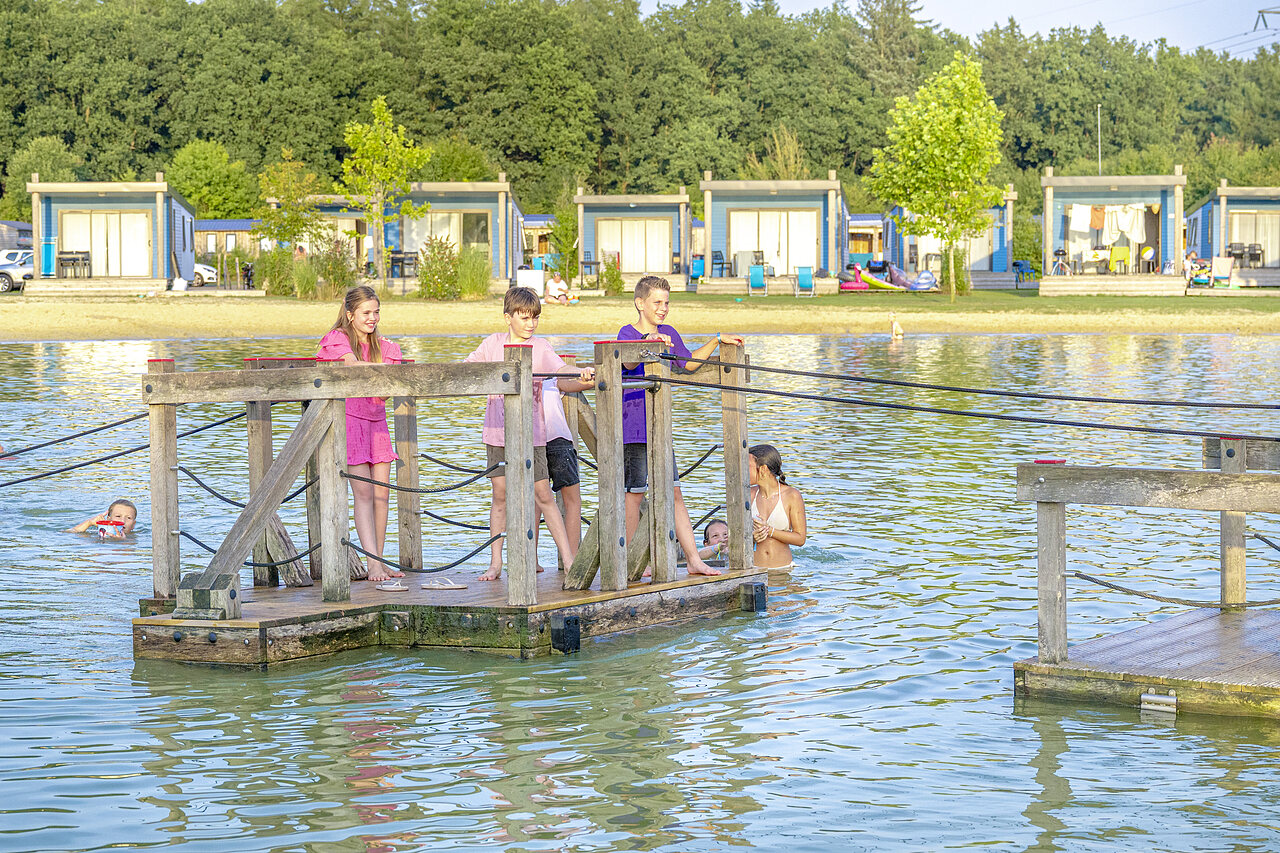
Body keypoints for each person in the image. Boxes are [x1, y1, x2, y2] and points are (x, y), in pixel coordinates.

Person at [464, 287, 596, 582]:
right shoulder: (492, 344)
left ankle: (569, 558)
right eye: (524, 317)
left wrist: (582, 372)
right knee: (500, 496)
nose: (530, 324)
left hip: (533, 434)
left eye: (535, 318)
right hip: (497, 432)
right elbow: (467, 370)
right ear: (508, 316)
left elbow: (562, 369)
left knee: (543, 495)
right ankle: (496, 562)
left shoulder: (541, 346)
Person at [618, 275, 742, 576]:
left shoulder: (669, 331)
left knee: (674, 492)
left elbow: (687, 364)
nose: (663, 309)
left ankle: (694, 560)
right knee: (634, 494)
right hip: (634, 426)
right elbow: (629, 363)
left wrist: (715, 339)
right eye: (657, 303)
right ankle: (636, 561)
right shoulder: (627, 332)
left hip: (661, 428)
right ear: (640, 303)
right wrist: (647, 343)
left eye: (667, 303)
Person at [317, 285, 403, 584]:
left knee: (382, 494)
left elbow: (388, 388)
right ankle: (373, 564)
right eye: (367, 313)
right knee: (363, 494)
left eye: (377, 312)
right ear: (350, 313)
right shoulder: (337, 339)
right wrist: (380, 370)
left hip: (377, 422)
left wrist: (381, 370)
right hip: (351, 422)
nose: (373, 318)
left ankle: (379, 560)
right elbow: (351, 368)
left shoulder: (387, 347)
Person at [540, 374, 583, 565]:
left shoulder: (525, 378)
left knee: (536, 501)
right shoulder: (552, 379)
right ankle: (571, 557)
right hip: (558, 440)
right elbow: (577, 383)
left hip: (532, 441)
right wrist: (591, 372)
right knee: (572, 500)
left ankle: (532, 560)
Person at [748, 444, 806, 570]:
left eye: (747, 466)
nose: (743, 471)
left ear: (763, 469)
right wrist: (751, 537)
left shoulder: (792, 495)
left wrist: (769, 531)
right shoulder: (748, 494)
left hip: (783, 570)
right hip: (753, 570)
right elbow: (736, 534)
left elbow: (800, 538)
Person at [70, 499, 138, 537]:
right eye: (118, 516)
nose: (123, 521)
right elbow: (69, 533)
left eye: (129, 518)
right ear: (108, 519)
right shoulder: (98, 533)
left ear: (133, 525)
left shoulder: (134, 539)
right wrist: (89, 523)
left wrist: (121, 542)